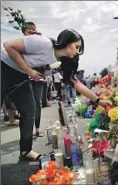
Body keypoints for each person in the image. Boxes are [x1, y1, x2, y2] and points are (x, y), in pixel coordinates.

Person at [1, 28, 110, 161]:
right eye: (76, 47)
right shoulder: (43, 43)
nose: (77, 52)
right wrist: (29, 70)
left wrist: (98, 101)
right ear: (67, 42)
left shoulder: (62, 61)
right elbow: (8, 45)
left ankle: (26, 150)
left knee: (29, 110)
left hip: (19, 75)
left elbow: (76, 83)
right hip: (3, 66)